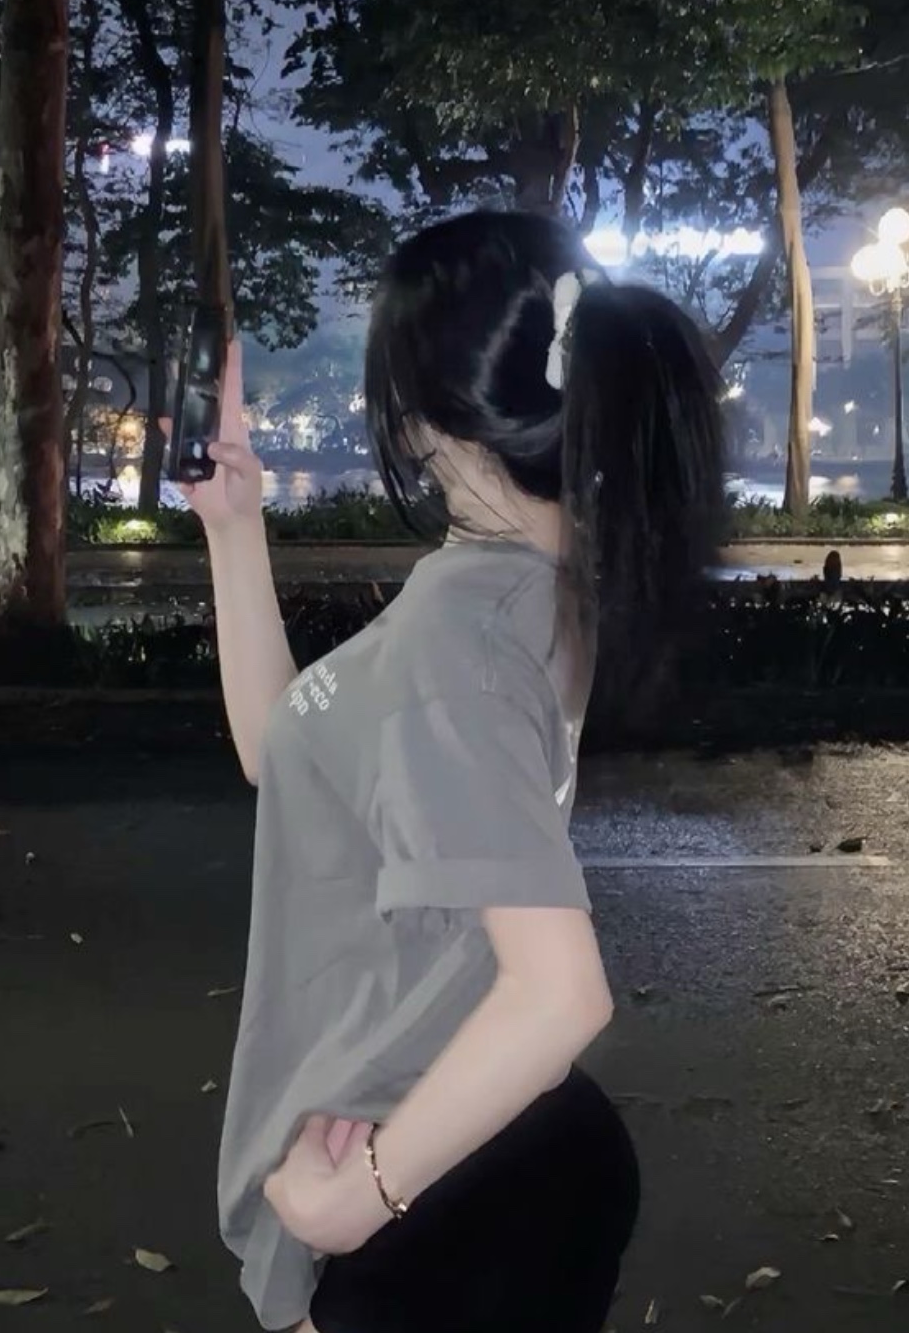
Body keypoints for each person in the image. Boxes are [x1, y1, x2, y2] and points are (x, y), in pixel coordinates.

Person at [175, 208, 724, 1333]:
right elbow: (284, 747)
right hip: (490, 1147)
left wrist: (357, 1201)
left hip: (432, 1180)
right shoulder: (534, 579)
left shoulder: (457, 637)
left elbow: (560, 994)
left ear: (421, 414)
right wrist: (235, 529)